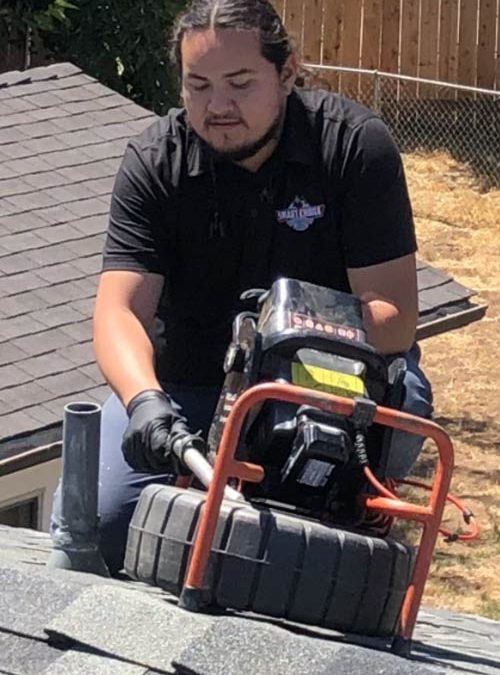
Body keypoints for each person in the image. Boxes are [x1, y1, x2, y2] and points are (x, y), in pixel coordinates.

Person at [51, 0, 432, 575]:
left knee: (310, 555)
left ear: (287, 74)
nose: (217, 106)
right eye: (197, 86)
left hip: (331, 375)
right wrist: (145, 403)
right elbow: (117, 313)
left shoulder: (355, 147)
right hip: (189, 387)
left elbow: (394, 319)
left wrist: (279, 334)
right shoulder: (156, 164)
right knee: (96, 524)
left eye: (239, 83)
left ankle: (358, 538)